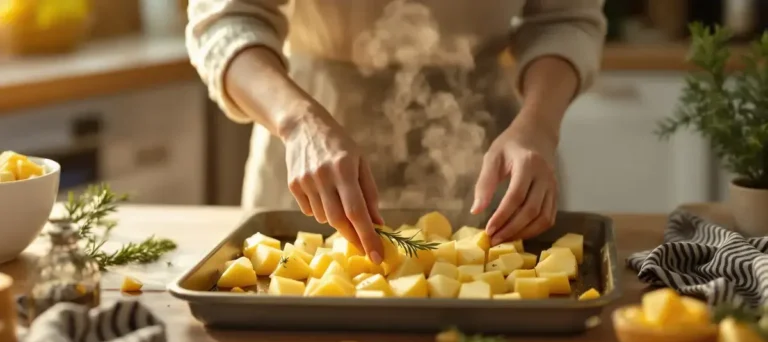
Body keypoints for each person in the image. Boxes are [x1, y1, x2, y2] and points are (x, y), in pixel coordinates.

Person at [186, 0, 606, 264]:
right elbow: (228, 20)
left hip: (491, 141)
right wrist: (297, 121)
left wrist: (538, 126)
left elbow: (565, 18)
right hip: (312, 122)